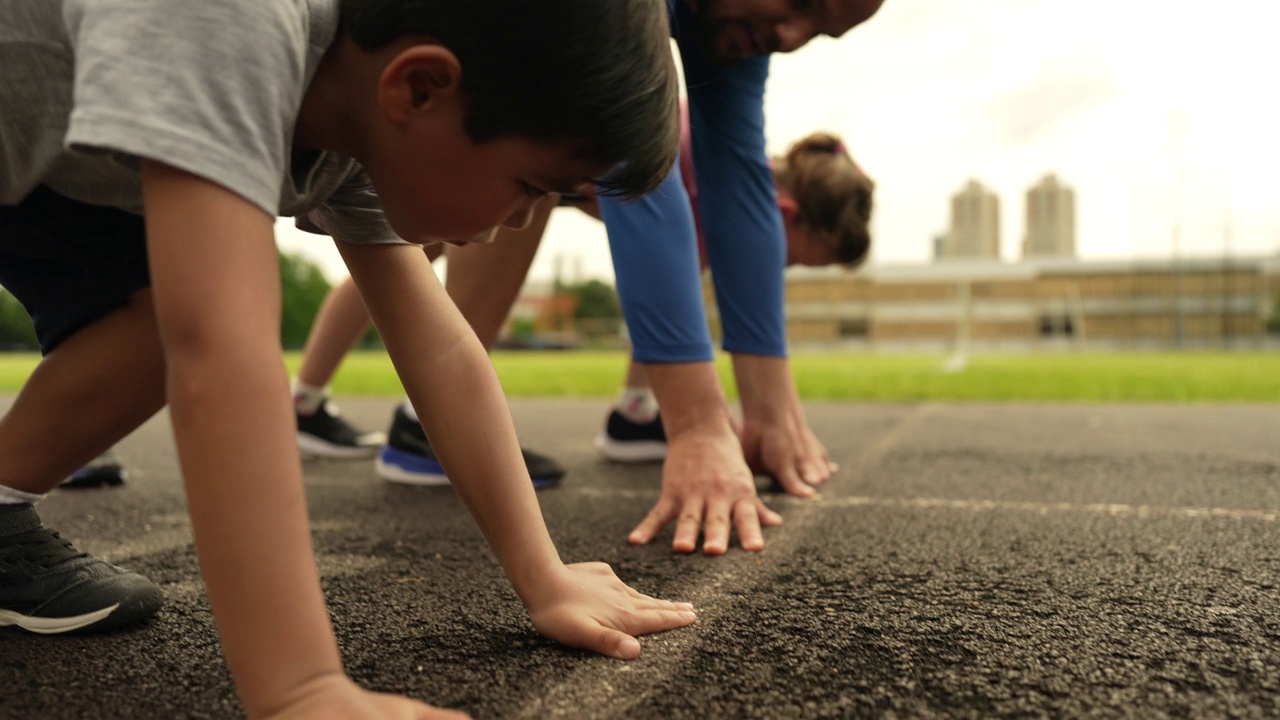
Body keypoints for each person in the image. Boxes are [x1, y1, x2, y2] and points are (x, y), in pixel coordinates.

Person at [0, 2, 693, 719]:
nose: (522, 221)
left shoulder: (361, 119)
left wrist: (544, 575)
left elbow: (441, 347)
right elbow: (220, 354)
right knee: (204, 301)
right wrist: (300, 689)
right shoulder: (229, 19)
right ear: (420, 88)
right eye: (530, 186)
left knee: (160, 313)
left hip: (47, 163)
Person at [293, 122, 875, 482]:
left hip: (555, 155)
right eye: (793, 258)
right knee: (401, 240)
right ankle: (429, 426)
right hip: (533, 141)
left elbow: (668, 291)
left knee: (396, 245)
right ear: (787, 216)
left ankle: (304, 402)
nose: (781, 268)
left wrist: (647, 407)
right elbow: (663, 296)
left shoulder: (724, 175)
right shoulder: (715, 192)